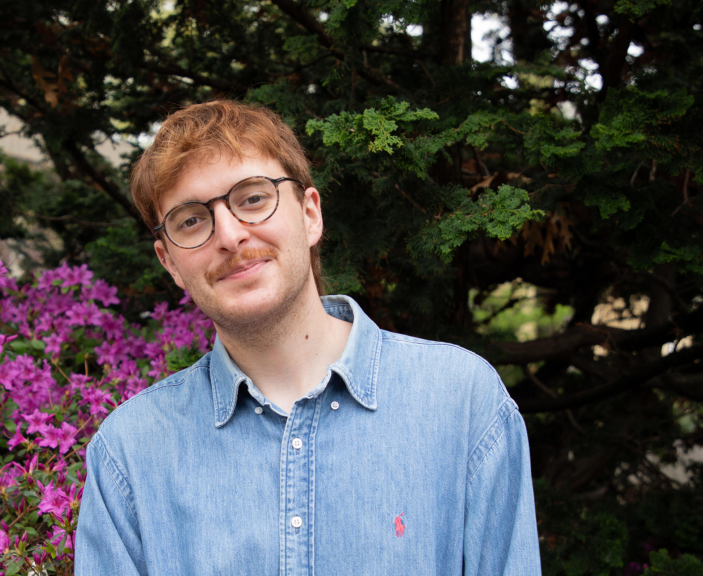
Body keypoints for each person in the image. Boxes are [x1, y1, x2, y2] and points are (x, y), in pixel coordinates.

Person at [75, 100, 542, 575]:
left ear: (310, 213)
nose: (231, 235)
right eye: (191, 220)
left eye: (253, 198)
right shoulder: (128, 455)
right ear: (170, 261)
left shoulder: (460, 402)